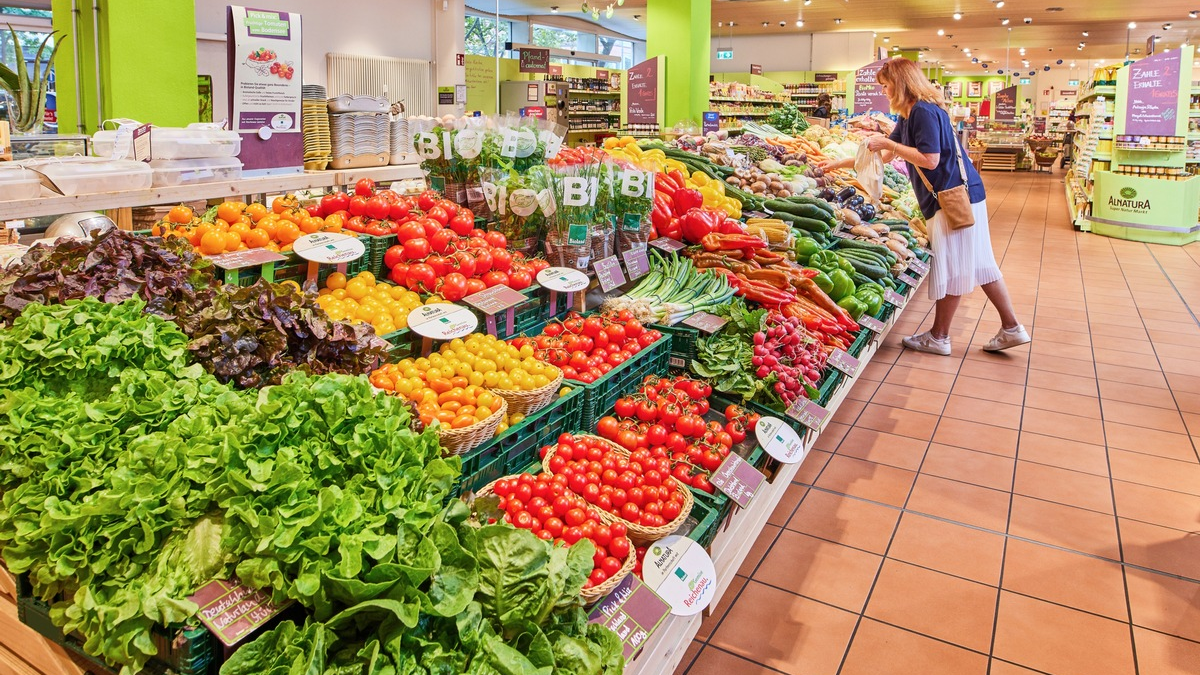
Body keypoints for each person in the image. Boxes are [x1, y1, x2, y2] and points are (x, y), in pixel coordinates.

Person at [818, 58, 1029, 355]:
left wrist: (888, 145)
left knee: (957, 266)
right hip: (963, 195)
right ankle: (1011, 328)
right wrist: (837, 164)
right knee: (981, 262)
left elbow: (929, 159)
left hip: (950, 198)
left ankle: (940, 336)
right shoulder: (910, 114)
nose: (884, 89)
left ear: (900, 83)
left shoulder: (923, 112)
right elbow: (887, 157)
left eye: (886, 83)